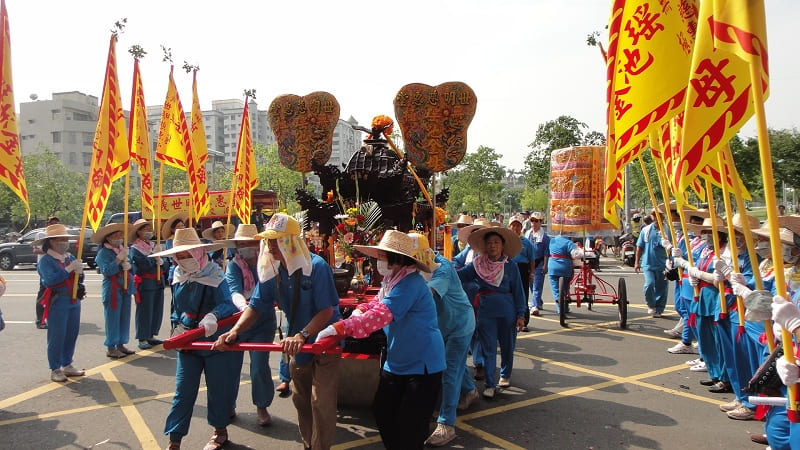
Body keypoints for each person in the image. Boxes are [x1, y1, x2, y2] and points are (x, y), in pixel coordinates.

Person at [213, 213, 341, 450]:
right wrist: (235, 332)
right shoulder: (271, 269)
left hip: (324, 343)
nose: (270, 245)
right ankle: (308, 445)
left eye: (275, 240)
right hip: (297, 346)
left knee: (320, 403)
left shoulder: (317, 266)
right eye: (268, 240)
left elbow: (326, 311)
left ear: (291, 241)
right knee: (302, 402)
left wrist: (302, 334)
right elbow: (257, 307)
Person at [314, 230, 445, 450]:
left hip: (423, 364)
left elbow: (379, 317)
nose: (379, 262)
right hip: (398, 360)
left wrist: (339, 327)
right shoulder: (391, 281)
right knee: (384, 411)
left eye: (383, 257)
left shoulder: (410, 283)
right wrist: (360, 309)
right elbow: (376, 303)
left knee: (410, 427)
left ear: (398, 260)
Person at [151, 227, 240, 450]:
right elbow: (175, 307)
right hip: (187, 340)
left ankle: (220, 431)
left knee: (218, 388)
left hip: (213, 339)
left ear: (199, 253)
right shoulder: (177, 275)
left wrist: (213, 315)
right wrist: (176, 327)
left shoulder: (215, 274)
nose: (183, 259)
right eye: (179, 255)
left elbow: (228, 304)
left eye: (187, 254)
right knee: (183, 390)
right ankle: (175, 439)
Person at [410, 232, 476, 447]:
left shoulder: (442, 267)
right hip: (440, 326)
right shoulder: (412, 267)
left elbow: (426, 294)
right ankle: (470, 391)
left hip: (460, 325)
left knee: (449, 370)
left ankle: (446, 424)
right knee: (455, 366)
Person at [457, 225, 525, 398]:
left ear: (502, 246)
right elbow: (459, 276)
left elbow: (519, 291)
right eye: (489, 243)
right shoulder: (477, 265)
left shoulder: (511, 266)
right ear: (485, 246)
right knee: (488, 348)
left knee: (508, 345)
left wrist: (520, 314)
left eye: (496, 242)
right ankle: (490, 383)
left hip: (507, 310)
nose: (493, 246)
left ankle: (505, 374)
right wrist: (441, 268)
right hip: (486, 311)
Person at [223, 223, 277, 427]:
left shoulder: (269, 262)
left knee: (258, 365)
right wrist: (244, 306)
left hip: (263, 321)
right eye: (241, 244)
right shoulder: (233, 266)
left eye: (248, 243)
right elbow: (234, 290)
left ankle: (261, 406)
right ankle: (228, 405)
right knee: (231, 366)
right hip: (238, 319)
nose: (244, 247)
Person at [33, 223, 86, 382]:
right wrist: (68, 270)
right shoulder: (46, 261)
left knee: (71, 333)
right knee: (57, 335)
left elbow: (78, 279)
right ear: (51, 242)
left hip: (73, 299)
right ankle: (55, 368)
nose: (65, 242)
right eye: (60, 239)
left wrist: (79, 271)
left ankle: (67, 363)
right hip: (58, 301)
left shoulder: (68, 257)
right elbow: (50, 281)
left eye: (66, 239)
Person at [92, 223, 136, 358]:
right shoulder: (103, 253)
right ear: (108, 238)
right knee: (113, 318)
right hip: (112, 288)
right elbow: (107, 270)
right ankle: (111, 347)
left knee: (124, 317)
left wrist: (129, 266)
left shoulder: (124, 250)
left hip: (125, 287)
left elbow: (133, 268)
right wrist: (118, 259)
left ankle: (121, 344)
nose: (119, 237)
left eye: (120, 235)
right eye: (115, 235)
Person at [129, 219, 168, 350]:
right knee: (145, 310)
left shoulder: (154, 245)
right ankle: (142, 336)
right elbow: (143, 265)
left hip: (158, 281)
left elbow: (165, 264)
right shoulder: (135, 248)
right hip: (146, 283)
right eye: (144, 229)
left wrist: (161, 259)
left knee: (156, 309)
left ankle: (151, 334)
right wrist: (154, 256)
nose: (148, 231)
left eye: (149, 229)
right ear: (138, 232)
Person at [634, 211, 670, 317]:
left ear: (663, 217)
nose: (656, 218)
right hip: (648, 263)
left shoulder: (668, 230)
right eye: (654, 215)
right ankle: (651, 305)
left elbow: (673, 247)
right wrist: (636, 262)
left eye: (659, 215)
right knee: (649, 285)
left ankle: (659, 309)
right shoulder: (646, 230)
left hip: (663, 264)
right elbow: (639, 247)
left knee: (662, 287)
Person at [33, 216, 61, 329]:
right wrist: (48, 250)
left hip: (57, 265)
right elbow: (35, 250)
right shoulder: (41, 235)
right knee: (44, 292)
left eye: (56, 224)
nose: (54, 226)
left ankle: (52, 316)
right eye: (52, 223)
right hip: (44, 267)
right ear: (47, 224)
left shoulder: (60, 235)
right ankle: (40, 319)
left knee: (55, 293)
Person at [508, 216, 535, 331]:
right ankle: (509, 319)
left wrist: (532, 273)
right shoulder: (506, 240)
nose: (515, 228)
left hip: (522, 269)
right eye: (513, 225)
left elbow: (532, 259)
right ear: (509, 227)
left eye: (518, 225)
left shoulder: (526, 242)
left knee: (523, 294)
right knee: (508, 293)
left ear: (521, 227)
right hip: (508, 268)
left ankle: (524, 320)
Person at [547, 234, 584, 314]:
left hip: (553, 266)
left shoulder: (552, 241)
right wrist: (583, 252)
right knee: (566, 288)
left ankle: (560, 309)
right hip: (565, 267)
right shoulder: (569, 242)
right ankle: (565, 307)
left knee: (556, 290)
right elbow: (576, 254)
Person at [524, 211, 549, 318]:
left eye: (536, 221)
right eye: (532, 221)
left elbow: (546, 252)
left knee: (537, 286)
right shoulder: (527, 234)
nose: (534, 223)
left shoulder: (545, 237)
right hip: (529, 262)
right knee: (531, 283)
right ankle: (538, 301)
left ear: (541, 222)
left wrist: (545, 265)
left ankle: (534, 306)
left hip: (539, 262)